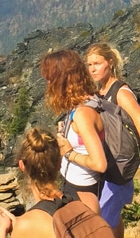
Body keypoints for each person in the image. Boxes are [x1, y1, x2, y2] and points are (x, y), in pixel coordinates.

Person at [86, 43, 140, 238]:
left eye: (97, 63)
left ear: (110, 63)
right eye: (89, 65)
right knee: (112, 217)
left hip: (117, 169)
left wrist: (129, 157)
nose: (93, 69)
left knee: (104, 218)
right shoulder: (100, 92)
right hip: (106, 167)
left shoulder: (121, 92)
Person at [42, 49, 106, 214]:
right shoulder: (83, 103)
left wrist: (68, 152)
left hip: (82, 188)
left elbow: (99, 164)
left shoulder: (83, 113)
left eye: (51, 79)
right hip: (74, 183)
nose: (48, 84)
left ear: (63, 80)